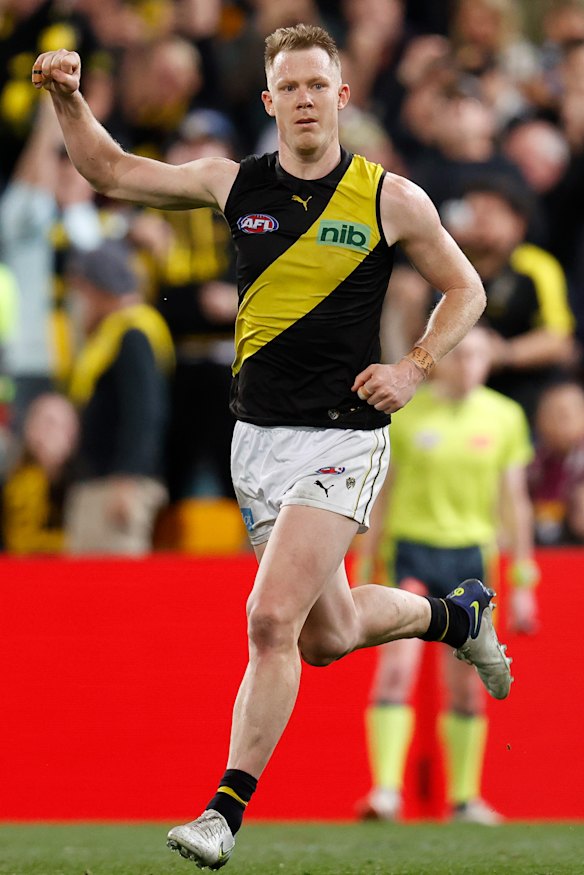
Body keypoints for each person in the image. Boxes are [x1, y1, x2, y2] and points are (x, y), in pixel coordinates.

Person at [32, 24, 512, 870]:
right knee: (327, 635)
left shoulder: (387, 197)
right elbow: (108, 170)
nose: (303, 99)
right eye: (287, 87)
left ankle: (223, 810)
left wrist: (414, 366)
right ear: (268, 101)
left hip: (343, 438)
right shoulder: (233, 183)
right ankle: (455, 615)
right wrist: (69, 98)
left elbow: (465, 288)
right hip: (255, 441)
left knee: (268, 620)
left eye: (315, 85)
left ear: (342, 95)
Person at [354, 325, 538, 825]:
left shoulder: (504, 416)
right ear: (443, 360)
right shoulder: (407, 412)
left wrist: (524, 580)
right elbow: (381, 493)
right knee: (396, 670)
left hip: (471, 561)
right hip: (410, 553)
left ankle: (463, 799)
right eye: (460, 356)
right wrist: (364, 564)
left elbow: (514, 504)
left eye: (479, 357)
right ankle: (386, 793)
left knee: (465, 684)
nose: (469, 366)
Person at [64, 239, 174, 555]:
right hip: (101, 483)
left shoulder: (132, 334)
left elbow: (146, 412)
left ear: (98, 289)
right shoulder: (111, 334)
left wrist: (128, 479)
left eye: (80, 289)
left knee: (113, 592)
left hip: (117, 487)